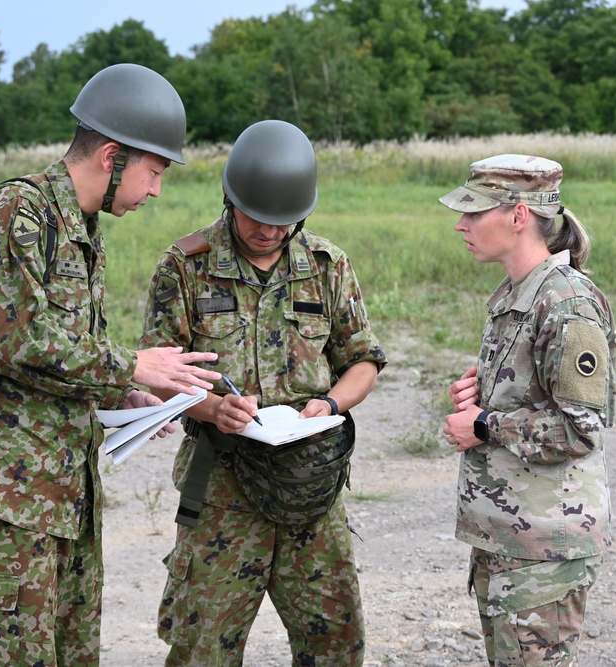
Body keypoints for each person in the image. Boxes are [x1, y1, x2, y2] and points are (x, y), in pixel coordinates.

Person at [0, 63, 221, 666]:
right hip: (14, 500)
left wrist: (122, 400)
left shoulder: (83, 228)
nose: (156, 191)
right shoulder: (17, 214)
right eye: (154, 172)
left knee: (72, 654)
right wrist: (132, 366)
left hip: (70, 489)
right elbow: (10, 341)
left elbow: (61, 357)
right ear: (111, 155)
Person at [141, 119, 387, 666]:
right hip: (222, 491)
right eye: (257, 218)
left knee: (336, 644)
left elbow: (364, 359)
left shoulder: (326, 266)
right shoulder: (186, 267)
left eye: (284, 222)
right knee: (203, 648)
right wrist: (212, 407)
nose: (269, 232)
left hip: (312, 486)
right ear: (230, 197)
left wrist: (330, 404)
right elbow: (160, 373)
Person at [439, 154, 616, 666]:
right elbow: (535, 396)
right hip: (514, 536)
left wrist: (484, 424)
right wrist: (484, 398)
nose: (461, 224)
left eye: (475, 213)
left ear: (518, 216)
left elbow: (582, 430)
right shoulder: (521, 292)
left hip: (545, 546)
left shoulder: (565, 303)